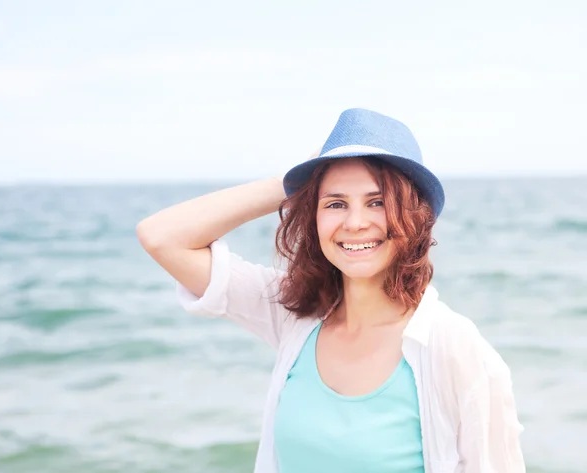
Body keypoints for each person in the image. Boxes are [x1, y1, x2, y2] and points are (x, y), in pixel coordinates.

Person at [136, 108, 525, 473]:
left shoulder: (454, 348)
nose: (355, 223)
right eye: (335, 203)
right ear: (313, 217)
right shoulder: (294, 314)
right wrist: (289, 182)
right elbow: (161, 238)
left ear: (414, 216)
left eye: (377, 202)